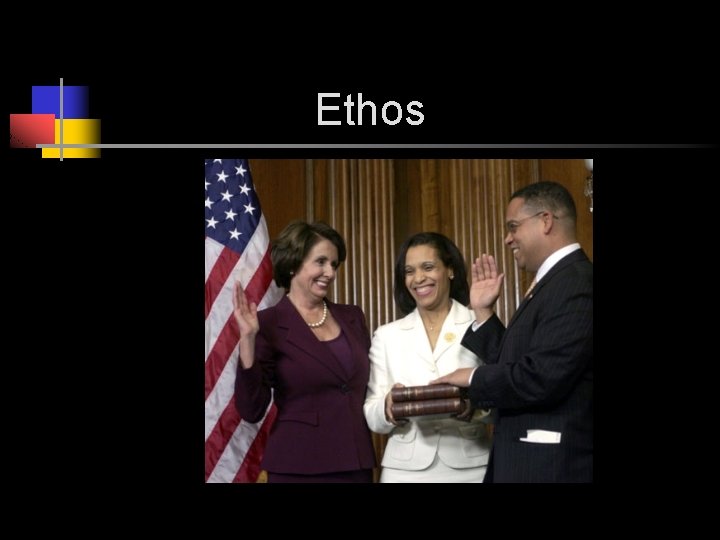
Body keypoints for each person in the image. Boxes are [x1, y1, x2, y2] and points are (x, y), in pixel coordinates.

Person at [433, 181, 593, 482]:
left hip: (551, 468)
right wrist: (483, 312)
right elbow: (519, 362)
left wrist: (472, 377)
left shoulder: (576, 282)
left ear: (545, 221)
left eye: (513, 226)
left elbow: (542, 377)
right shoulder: (556, 280)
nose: (508, 239)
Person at [233, 220, 376, 482]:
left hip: (355, 461)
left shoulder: (353, 317)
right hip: (297, 464)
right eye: (321, 262)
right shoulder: (267, 323)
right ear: (293, 264)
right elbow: (251, 409)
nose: (330, 272)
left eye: (334, 264)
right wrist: (248, 340)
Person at [363, 232, 493, 483]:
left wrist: (473, 406)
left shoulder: (479, 324)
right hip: (404, 472)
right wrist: (387, 408)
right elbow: (371, 413)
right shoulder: (387, 335)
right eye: (409, 271)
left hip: (472, 468)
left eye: (428, 267)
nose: (418, 278)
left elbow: (504, 396)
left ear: (450, 270)